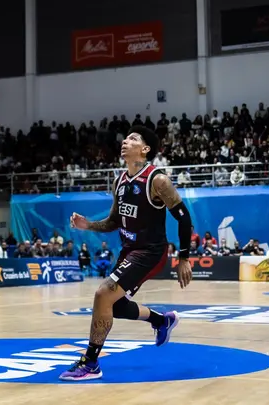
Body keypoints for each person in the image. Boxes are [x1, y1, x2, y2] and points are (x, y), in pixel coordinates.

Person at [60, 126, 193, 381]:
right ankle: (161, 320)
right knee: (116, 306)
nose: (125, 141)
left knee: (102, 294)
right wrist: (88, 225)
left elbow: (184, 218)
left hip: (150, 251)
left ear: (145, 150)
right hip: (129, 251)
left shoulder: (158, 181)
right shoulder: (119, 181)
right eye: (126, 137)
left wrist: (184, 258)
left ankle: (90, 362)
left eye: (133, 139)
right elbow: (113, 222)